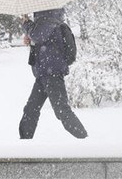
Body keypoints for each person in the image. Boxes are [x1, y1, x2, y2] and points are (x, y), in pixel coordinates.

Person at [19, 8, 87, 139]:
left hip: (52, 73)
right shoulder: (43, 21)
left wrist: (26, 23)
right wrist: (31, 42)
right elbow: (42, 43)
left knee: (61, 111)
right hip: (43, 73)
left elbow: (38, 35)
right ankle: (24, 145)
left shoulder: (49, 18)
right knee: (30, 110)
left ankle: (84, 141)